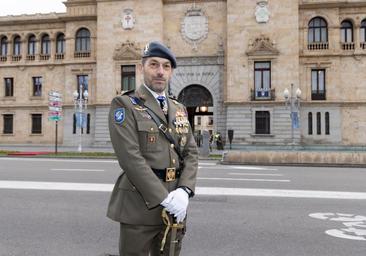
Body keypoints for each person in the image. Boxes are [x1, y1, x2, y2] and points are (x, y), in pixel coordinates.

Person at [107, 41, 199, 256]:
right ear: (142, 68)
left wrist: (184, 191)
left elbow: (191, 153)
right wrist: (164, 199)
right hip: (140, 205)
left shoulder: (179, 108)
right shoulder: (125, 104)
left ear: (171, 72)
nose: (160, 72)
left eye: (166, 67)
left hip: (176, 204)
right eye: (154, 64)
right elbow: (130, 158)